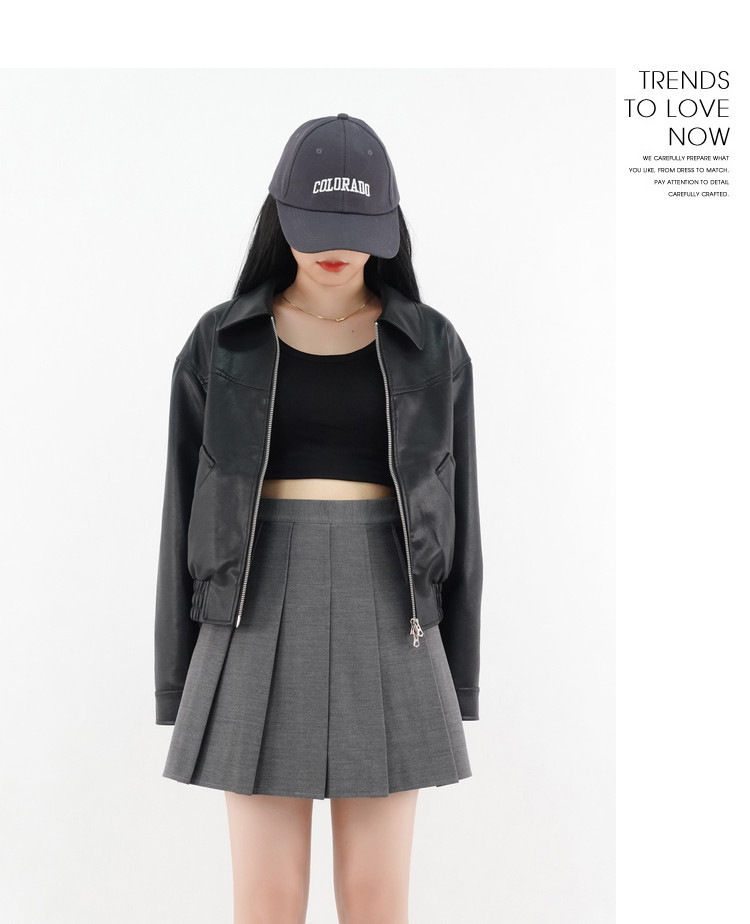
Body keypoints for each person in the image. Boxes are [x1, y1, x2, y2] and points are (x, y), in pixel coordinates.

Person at [154, 113, 483, 924]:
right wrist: (177, 677)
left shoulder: (433, 346)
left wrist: (461, 675)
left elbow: (462, 519)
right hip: (251, 609)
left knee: (376, 899)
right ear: (280, 217)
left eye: (356, 228)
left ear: (389, 228)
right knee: (267, 900)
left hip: (395, 612)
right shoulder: (221, 343)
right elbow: (181, 514)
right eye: (315, 225)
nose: (335, 247)